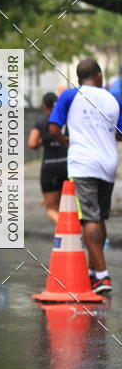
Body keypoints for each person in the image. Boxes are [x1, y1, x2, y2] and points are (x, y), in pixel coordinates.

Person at [49, 59, 122, 293]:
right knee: (99, 217)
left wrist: (66, 141)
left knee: (89, 218)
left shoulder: (70, 96)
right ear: (99, 76)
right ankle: (93, 271)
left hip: (83, 164)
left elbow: (53, 128)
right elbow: (120, 134)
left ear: (80, 78)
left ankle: (102, 276)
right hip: (108, 164)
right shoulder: (114, 99)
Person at [28, 92, 68, 224]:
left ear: (44, 105)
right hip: (67, 165)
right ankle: (72, 231)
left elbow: (32, 143)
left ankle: (67, 230)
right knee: (69, 207)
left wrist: (42, 141)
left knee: (51, 208)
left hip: (50, 167)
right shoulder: (66, 119)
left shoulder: (41, 121)